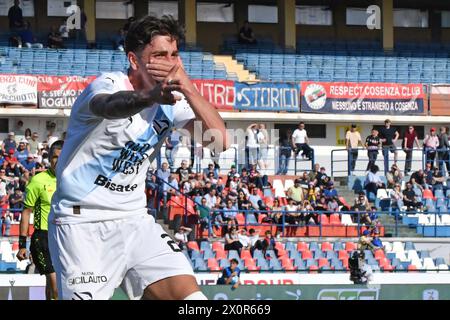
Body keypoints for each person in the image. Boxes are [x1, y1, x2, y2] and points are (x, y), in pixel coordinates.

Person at [48, 15, 228, 300]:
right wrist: (150, 97)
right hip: (82, 225)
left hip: (135, 220)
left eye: (174, 55)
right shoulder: (106, 84)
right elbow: (109, 106)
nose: (169, 62)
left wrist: (189, 87)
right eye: (159, 55)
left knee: (192, 300)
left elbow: (219, 141)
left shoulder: (173, 102)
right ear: (134, 60)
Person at [16, 140, 64, 300]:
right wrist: (22, 245)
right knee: (56, 286)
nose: (58, 161)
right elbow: (26, 212)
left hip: (65, 237)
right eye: (55, 157)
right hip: (42, 238)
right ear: (49, 159)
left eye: (62, 157)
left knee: (53, 287)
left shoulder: (74, 180)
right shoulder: (38, 181)